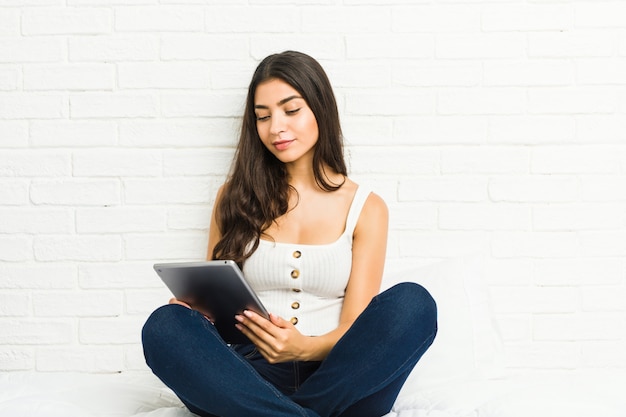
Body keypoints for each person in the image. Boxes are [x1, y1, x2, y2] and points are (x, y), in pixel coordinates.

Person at [142, 50, 437, 417]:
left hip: (341, 376)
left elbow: (355, 327)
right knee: (164, 326)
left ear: (320, 108)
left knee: (414, 303)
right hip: (246, 377)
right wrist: (197, 319)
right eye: (262, 117)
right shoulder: (232, 198)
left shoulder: (366, 206)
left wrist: (303, 349)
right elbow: (218, 308)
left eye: (291, 110)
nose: (275, 127)